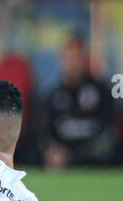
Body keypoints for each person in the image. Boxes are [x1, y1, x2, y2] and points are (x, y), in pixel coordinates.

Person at [42, 36, 116, 169]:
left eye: (77, 58)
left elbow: (107, 136)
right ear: (61, 61)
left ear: (84, 60)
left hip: (94, 164)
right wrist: (52, 151)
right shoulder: (53, 97)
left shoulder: (102, 94)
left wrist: (72, 156)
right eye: (69, 59)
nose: (73, 64)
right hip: (61, 165)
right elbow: (44, 134)